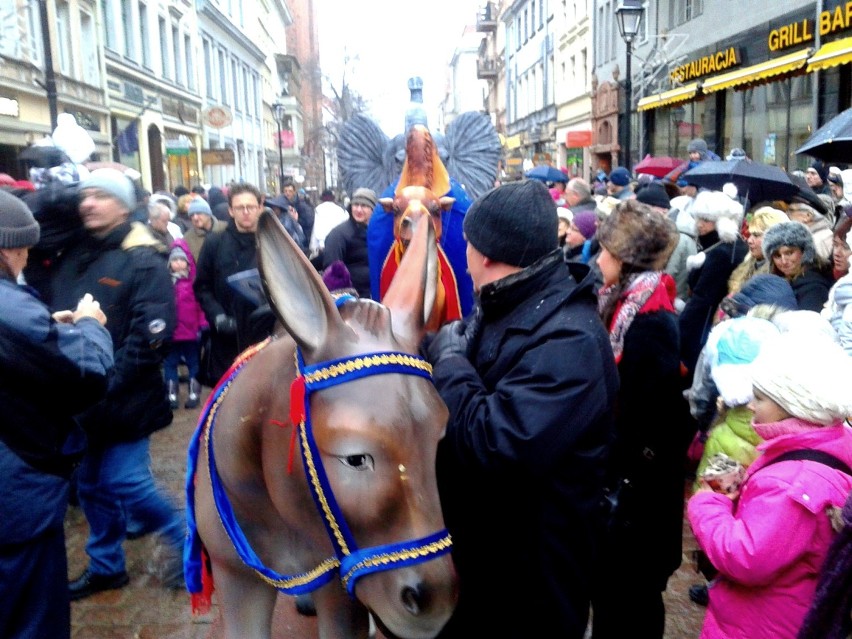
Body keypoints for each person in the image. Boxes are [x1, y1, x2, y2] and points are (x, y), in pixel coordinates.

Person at [423, 179, 619, 638]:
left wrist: (449, 362)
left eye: (468, 245)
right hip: (489, 563)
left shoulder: (569, 340)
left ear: (486, 254)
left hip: (528, 587)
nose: (464, 256)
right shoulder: (515, 302)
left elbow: (496, 443)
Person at [48, 169, 185, 599]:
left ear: (124, 206)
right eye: (84, 196)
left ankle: (185, 539)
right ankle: (106, 564)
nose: (88, 203)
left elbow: (151, 335)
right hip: (80, 395)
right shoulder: (75, 249)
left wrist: (106, 382)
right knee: (89, 484)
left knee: (126, 481)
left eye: (100, 196)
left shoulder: (142, 257)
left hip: (122, 398)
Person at [687, 330, 852, 639]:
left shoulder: (792, 482)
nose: (750, 405)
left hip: (757, 625)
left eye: (760, 398)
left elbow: (745, 557)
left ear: (794, 405)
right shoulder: (826, 445)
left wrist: (708, 502)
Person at [0, 191, 113, 639]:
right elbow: (86, 371)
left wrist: (46, 329)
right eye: (25, 247)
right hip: (16, 494)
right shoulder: (12, 307)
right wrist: (88, 324)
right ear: (8, 248)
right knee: (32, 620)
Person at [590, 200, 692, 638]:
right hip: (630, 494)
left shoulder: (650, 321)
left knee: (630, 604)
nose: (598, 260)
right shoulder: (626, 303)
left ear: (627, 259)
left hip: (639, 504)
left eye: (606, 252)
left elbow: (646, 420)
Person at [193, 182, 266, 385]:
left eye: (250, 207)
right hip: (227, 337)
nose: (245, 212)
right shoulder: (215, 243)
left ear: (260, 208)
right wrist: (217, 316)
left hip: (264, 335)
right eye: (239, 208)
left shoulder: (271, 242)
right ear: (231, 211)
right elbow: (202, 286)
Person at [679, 190, 748, 381]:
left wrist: (680, 329)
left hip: (705, 325)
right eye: (699, 218)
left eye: (706, 220)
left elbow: (703, 299)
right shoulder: (723, 246)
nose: (700, 224)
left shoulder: (721, 253)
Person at [164, 239, 206, 410]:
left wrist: (203, 324)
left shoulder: (192, 283)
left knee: (193, 362)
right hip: (171, 333)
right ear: (170, 263)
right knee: (170, 363)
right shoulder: (166, 284)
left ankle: (194, 391)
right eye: (175, 260)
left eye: (182, 260)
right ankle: (171, 392)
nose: (179, 263)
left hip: (190, 332)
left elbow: (200, 306)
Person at [762, 220, 833, 312]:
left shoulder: (814, 287)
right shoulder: (779, 282)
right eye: (777, 256)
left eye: (789, 253)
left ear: (804, 251)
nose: (784, 261)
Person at [322, 187, 376, 298]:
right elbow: (332, 271)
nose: (359, 210)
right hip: (353, 303)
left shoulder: (376, 233)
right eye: (356, 205)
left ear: (373, 209)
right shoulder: (339, 234)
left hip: (374, 298)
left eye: (364, 206)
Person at [727, 206, 789, 295]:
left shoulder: (779, 275)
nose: (749, 240)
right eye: (750, 234)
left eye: (756, 235)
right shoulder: (748, 265)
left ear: (774, 238)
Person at [308, 188, 348, 265]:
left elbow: (316, 229)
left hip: (322, 245)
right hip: (337, 243)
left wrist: (313, 247)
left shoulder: (318, 209)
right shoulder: (340, 210)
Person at [183, 196, 227, 262]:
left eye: (198, 213)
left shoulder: (225, 228)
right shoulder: (187, 238)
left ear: (208, 214)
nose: (195, 218)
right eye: (192, 215)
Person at [282, 179, 315, 245]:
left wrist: (296, 220)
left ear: (294, 192)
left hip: (302, 242)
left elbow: (309, 222)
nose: (287, 193)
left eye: (290, 191)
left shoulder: (302, 206)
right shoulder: (282, 205)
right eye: (285, 191)